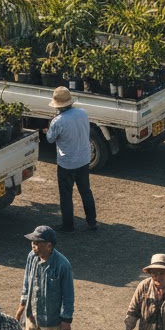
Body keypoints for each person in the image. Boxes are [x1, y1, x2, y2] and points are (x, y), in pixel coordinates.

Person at [15, 225, 74, 330]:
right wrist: (22, 306)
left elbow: (68, 296)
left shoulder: (63, 265)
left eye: (37, 242)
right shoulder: (31, 258)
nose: (33, 245)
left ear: (49, 245)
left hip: (54, 320)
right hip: (32, 315)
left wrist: (66, 320)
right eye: (33, 242)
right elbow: (27, 282)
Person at [44, 87, 97, 231]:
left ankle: (68, 226)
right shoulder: (82, 113)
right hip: (84, 159)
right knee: (86, 191)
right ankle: (92, 221)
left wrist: (49, 127)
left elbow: (50, 139)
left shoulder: (58, 121)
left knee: (66, 195)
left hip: (67, 163)